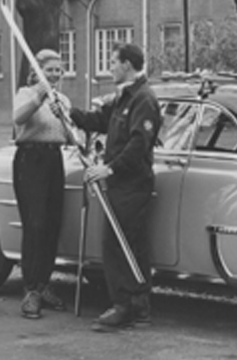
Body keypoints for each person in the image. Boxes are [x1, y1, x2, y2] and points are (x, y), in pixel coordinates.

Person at [69, 42, 161, 332]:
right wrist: (68, 111)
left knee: (125, 244)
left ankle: (129, 306)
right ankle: (130, 305)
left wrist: (109, 167)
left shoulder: (142, 99)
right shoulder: (125, 98)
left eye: (113, 62)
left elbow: (138, 143)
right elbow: (100, 120)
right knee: (117, 244)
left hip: (132, 185)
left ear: (127, 65)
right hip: (120, 184)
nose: (109, 67)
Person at [12, 49, 70, 319]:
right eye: (50, 70)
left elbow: (71, 136)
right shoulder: (26, 93)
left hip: (53, 159)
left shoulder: (62, 99)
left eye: (59, 70)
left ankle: (44, 283)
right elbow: (19, 118)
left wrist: (65, 117)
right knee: (34, 223)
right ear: (38, 71)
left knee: (51, 223)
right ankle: (30, 289)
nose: (56, 74)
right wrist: (40, 97)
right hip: (30, 159)